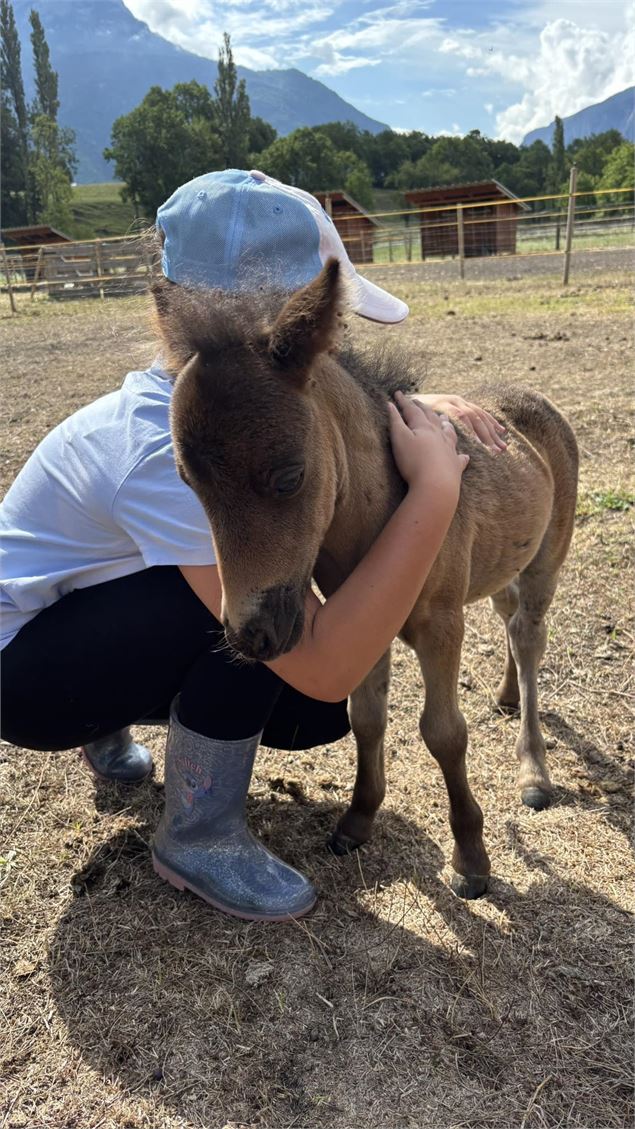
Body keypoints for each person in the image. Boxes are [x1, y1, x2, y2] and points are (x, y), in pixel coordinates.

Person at [0, 169, 507, 923]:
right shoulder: (182, 453)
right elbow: (332, 667)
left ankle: (110, 723)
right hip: (25, 680)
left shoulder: (198, 384)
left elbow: (311, 389)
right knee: (265, 627)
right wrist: (434, 492)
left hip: (69, 620)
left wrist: (415, 408)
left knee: (295, 702)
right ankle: (197, 832)